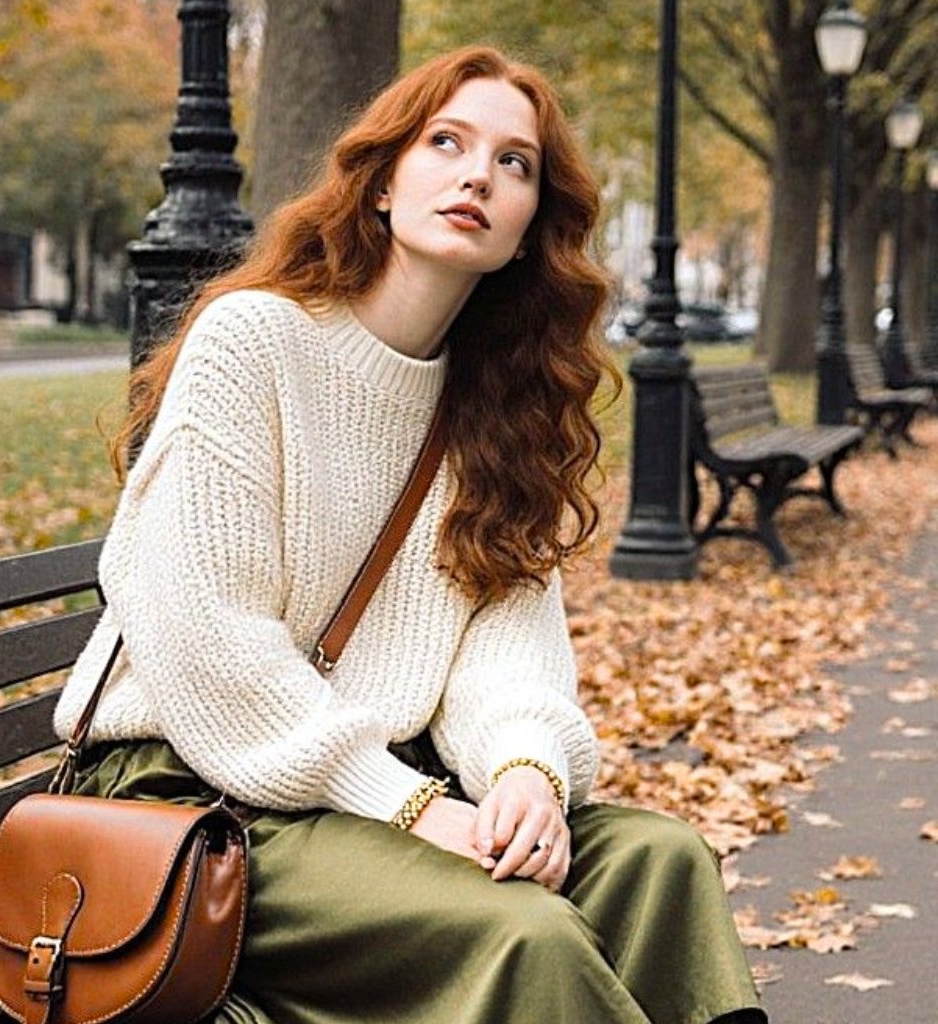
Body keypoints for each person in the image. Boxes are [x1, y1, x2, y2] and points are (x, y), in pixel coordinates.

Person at [55, 45, 766, 1024]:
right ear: (383, 182)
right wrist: (412, 805)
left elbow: (506, 653)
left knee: (659, 861)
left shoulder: (501, 410)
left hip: (375, 787)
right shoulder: (254, 342)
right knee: (524, 930)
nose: (479, 176)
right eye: (446, 143)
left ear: (529, 230)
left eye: (514, 163)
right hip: (200, 795)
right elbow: (208, 639)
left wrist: (525, 774)